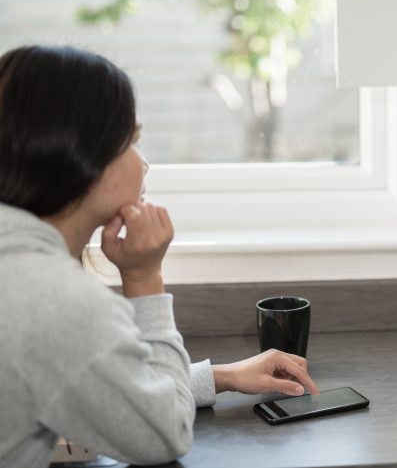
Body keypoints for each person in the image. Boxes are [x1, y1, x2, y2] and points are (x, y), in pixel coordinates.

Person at [0, 45, 320, 468]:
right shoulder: (53, 299)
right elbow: (163, 434)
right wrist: (145, 276)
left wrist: (218, 377)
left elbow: (92, 382)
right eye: (132, 142)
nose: (144, 164)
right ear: (81, 158)